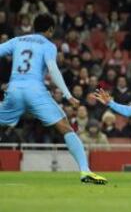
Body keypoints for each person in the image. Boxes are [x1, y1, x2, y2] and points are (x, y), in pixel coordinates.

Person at [0, 14, 107, 185]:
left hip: (14, 89)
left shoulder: (17, 40)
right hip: (35, 91)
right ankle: (85, 171)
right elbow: (53, 70)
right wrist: (68, 95)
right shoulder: (48, 45)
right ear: (50, 30)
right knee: (65, 127)